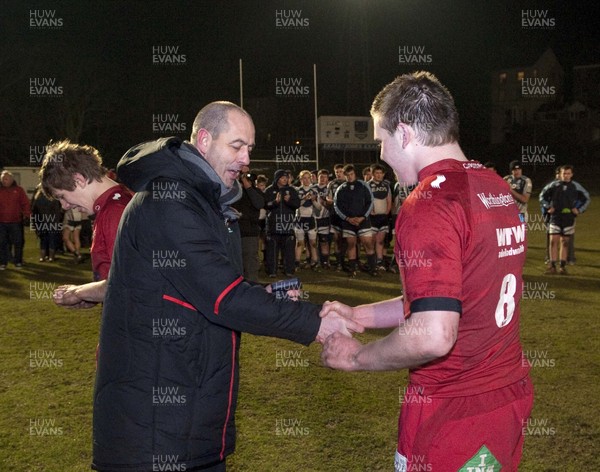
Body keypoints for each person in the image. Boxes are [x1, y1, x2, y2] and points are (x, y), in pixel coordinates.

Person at [92, 101, 362, 472]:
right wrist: (318, 322)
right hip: (155, 427)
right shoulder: (170, 202)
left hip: (184, 412)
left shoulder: (197, 200)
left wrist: (261, 293)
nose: (246, 158)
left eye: (249, 148)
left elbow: (211, 286)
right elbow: (224, 298)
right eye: (237, 146)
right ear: (204, 140)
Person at [321, 72, 533, 471]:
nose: (381, 154)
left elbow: (435, 334)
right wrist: (358, 315)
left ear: (404, 133)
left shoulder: (430, 202)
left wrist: (356, 358)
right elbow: (450, 297)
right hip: (506, 395)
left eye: (381, 141)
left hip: (453, 408)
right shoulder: (494, 186)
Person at [39, 139, 133, 307]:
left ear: (79, 180)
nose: (64, 205)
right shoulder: (115, 203)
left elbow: (126, 284)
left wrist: (78, 292)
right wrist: (89, 297)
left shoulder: (115, 211)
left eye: (61, 196)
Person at [539, 165, 589, 275]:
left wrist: (579, 210)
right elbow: (542, 196)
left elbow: (587, 197)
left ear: (571, 174)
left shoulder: (576, 186)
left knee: (565, 243)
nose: (566, 175)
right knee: (553, 242)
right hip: (555, 217)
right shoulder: (553, 185)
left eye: (568, 173)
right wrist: (548, 207)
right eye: (564, 173)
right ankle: (552, 266)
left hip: (569, 218)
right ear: (560, 174)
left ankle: (562, 266)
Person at [333, 164, 377, 277]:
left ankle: (373, 269)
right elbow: (337, 205)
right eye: (347, 175)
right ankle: (352, 270)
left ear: (355, 174)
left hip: (363, 221)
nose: (349, 177)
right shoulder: (341, 189)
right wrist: (347, 218)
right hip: (348, 222)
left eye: (351, 174)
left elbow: (370, 201)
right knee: (351, 244)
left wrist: (363, 217)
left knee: (368, 244)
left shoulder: (363, 185)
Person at [264, 169, 300, 277]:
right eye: (283, 177)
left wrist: (289, 201)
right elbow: (265, 205)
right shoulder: (269, 190)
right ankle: (272, 271)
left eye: (286, 177)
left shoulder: (292, 190)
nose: (285, 179)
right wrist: (275, 202)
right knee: (272, 249)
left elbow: (297, 204)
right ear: (277, 178)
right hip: (273, 225)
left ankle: (289, 270)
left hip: (287, 225)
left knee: (289, 249)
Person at [232, 166, 264, 281]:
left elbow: (259, 204)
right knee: (233, 264)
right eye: (241, 173)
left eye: (247, 174)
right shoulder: (231, 190)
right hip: (233, 232)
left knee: (250, 265)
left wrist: (248, 187)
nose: (244, 176)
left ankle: (252, 291)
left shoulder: (255, 191)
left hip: (249, 233)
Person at [0, 170, 31, 269]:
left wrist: (27, 215)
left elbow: (25, 203)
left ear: (11, 179)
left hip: (16, 222)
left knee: (18, 242)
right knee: (2, 243)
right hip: (1, 222)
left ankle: (18, 261)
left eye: (6, 179)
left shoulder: (19, 190)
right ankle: (3, 263)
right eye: (3, 179)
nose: (5, 181)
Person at [294, 170, 322, 270]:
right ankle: (297, 262)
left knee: (313, 242)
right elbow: (296, 205)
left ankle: (314, 261)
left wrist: (313, 200)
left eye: (308, 178)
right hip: (300, 219)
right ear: (301, 179)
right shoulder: (297, 190)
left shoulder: (314, 191)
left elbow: (319, 207)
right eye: (304, 178)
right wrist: (305, 199)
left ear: (311, 178)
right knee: (299, 242)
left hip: (310, 219)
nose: (306, 180)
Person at [30, 184, 63, 262]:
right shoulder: (47, 195)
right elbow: (56, 211)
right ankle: (47, 256)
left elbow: (34, 210)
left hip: (46, 220)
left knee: (47, 239)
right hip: (46, 220)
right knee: (47, 239)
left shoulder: (40, 196)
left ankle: (46, 257)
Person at [368, 164, 392, 270]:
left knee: (380, 240)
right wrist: (370, 211)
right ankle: (371, 261)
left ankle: (380, 261)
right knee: (371, 241)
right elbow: (366, 200)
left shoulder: (386, 185)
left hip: (383, 217)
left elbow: (389, 199)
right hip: (372, 218)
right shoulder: (368, 185)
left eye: (380, 173)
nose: (379, 175)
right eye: (376, 173)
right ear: (373, 174)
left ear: (383, 174)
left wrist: (387, 211)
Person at [326, 164, 346, 270]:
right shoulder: (332, 183)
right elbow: (328, 198)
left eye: (340, 171)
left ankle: (351, 261)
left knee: (348, 239)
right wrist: (333, 201)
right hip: (335, 214)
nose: (338, 174)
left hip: (347, 215)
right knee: (337, 238)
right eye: (337, 172)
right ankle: (339, 262)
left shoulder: (348, 183)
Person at [313, 169, 332, 268]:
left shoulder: (329, 189)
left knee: (324, 241)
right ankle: (314, 261)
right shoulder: (312, 188)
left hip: (325, 218)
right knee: (312, 242)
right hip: (313, 218)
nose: (323, 179)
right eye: (321, 177)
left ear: (328, 179)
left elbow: (331, 204)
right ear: (317, 178)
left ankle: (325, 262)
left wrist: (326, 202)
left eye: (325, 177)